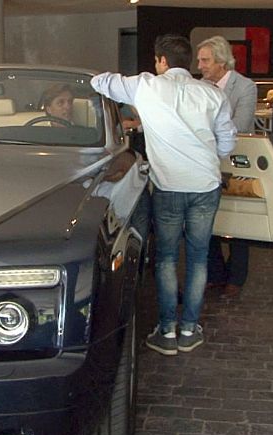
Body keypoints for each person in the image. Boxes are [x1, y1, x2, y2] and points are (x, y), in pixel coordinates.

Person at [91, 34, 236, 356]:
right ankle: (190, 329)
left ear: (161, 61)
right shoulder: (212, 93)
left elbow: (100, 83)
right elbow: (227, 142)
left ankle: (167, 331)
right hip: (205, 185)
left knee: (167, 258)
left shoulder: (146, 86)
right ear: (188, 62)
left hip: (169, 187)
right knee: (198, 257)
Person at [196, 36, 257, 299]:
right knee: (208, 220)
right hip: (206, 163)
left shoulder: (245, 86)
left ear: (221, 61)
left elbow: (240, 126)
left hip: (237, 161)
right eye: (199, 60)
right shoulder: (198, 87)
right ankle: (215, 275)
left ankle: (236, 278)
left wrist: (202, 133)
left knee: (237, 220)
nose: (200, 66)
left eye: (205, 60)